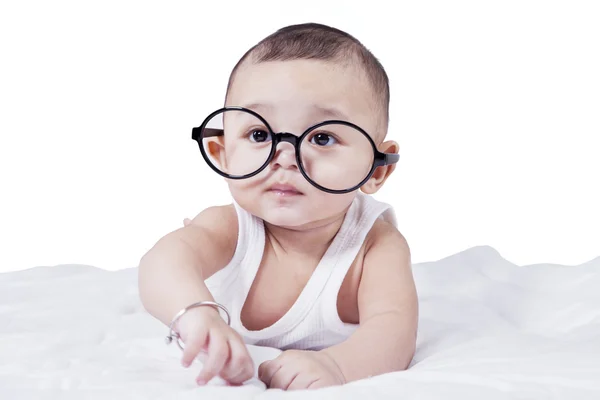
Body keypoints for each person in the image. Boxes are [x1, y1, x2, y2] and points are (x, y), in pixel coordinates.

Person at [138, 22, 418, 391]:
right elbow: (161, 262)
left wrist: (337, 365)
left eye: (322, 137)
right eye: (260, 135)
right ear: (221, 152)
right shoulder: (230, 227)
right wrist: (195, 313)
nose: (285, 157)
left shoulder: (374, 248)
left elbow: (394, 330)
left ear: (377, 168)